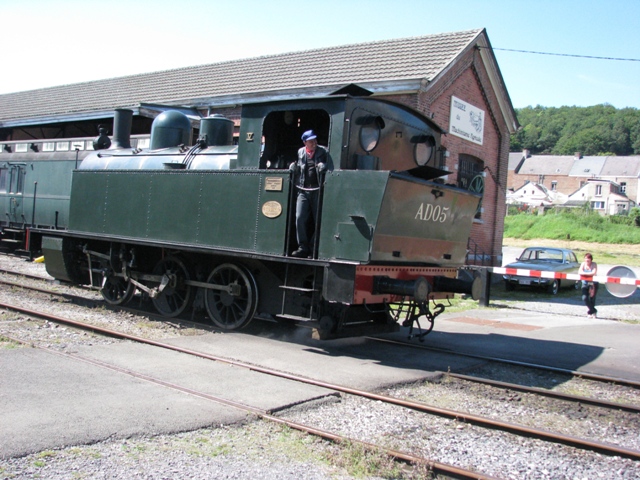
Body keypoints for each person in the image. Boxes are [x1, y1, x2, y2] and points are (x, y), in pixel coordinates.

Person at [289, 130, 333, 258]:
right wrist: (293, 167)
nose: (314, 143)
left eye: (315, 140)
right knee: (299, 217)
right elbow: (299, 167)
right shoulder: (300, 152)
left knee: (318, 219)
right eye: (311, 141)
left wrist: (324, 166)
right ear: (305, 143)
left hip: (317, 190)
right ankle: (303, 247)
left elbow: (331, 167)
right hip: (303, 190)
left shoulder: (323, 151)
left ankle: (314, 248)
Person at [579, 253, 598, 318]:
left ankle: (590, 312)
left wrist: (585, 274)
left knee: (592, 298)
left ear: (591, 260)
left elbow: (594, 273)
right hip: (585, 283)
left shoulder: (594, 264)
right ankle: (594, 310)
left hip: (593, 283)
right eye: (586, 259)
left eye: (588, 259)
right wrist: (588, 274)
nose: (587, 261)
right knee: (584, 298)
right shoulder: (583, 264)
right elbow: (580, 272)